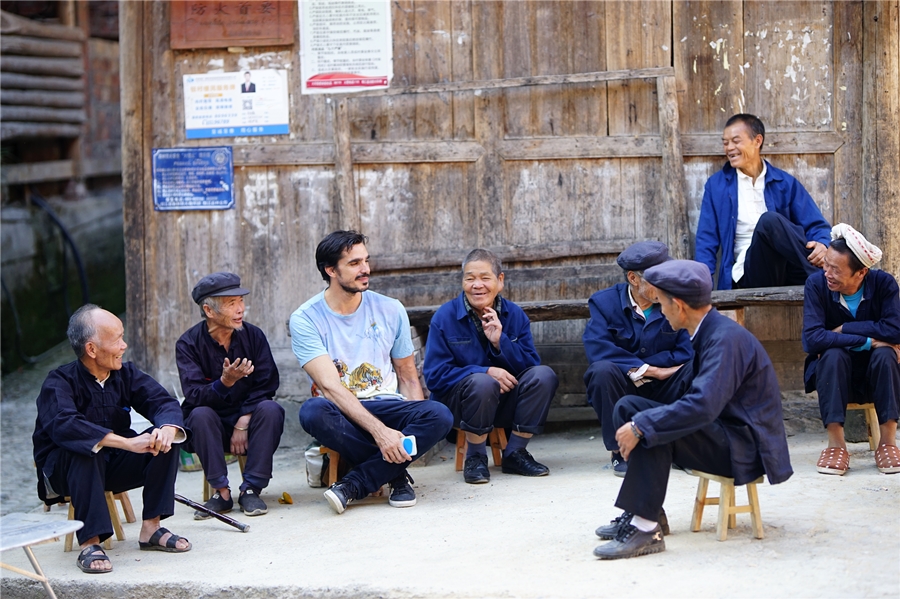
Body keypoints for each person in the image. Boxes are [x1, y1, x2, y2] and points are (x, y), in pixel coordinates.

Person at [592, 260, 793, 560]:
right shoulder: (705, 331)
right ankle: (646, 511)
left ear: (680, 306)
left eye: (662, 305)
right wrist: (639, 416)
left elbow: (703, 405)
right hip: (723, 434)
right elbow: (688, 392)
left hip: (742, 449)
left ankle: (646, 530)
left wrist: (642, 425)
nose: (660, 312)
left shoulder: (725, 339)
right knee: (630, 407)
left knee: (650, 426)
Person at [290, 230, 454, 514]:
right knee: (312, 411)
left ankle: (354, 484)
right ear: (331, 270)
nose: (365, 269)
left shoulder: (391, 309)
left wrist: (401, 429)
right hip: (341, 411)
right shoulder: (306, 319)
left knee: (440, 414)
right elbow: (330, 387)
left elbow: (407, 375)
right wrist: (381, 434)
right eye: (354, 263)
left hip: (389, 406)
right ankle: (396, 475)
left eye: (366, 260)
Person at [33, 305, 191, 574]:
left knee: (164, 443)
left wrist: (165, 429)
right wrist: (127, 443)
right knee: (84, 450)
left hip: (112, 466)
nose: (124, 345)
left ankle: (151, 528)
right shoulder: (58, 382)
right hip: (66, 472)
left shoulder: (124, 374)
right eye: (117, 339)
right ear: (92, 349)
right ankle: (90, 543)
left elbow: (161, 401)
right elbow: (66, 425)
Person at [423, 249, 558, 484]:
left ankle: (515, 452)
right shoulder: (444, 317)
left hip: (505, 403)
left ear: (500, 281)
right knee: (482, 381)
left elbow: (530, 366)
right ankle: (475, 457)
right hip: (460, 405)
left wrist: (500, 342)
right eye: (469, 278)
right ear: (462, 281)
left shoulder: (514, 315)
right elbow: (435, 376)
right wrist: (483, 370)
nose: (477, 285)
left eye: (485, 278)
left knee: (543, 376)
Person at [176, 272, 284, 518]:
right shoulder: (188, 344)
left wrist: (244, 420)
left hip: (248, 426)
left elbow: (268, 383)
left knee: (271, 409)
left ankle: (251, 490)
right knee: (200, 414)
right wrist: (225, 382)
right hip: (210, 430)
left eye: (241, 301)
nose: (240, 309)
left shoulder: (253, 335)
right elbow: (193, 394)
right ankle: (221, 493)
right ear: (209, 311)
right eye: (231, 303)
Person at [583, 241, 693, 476]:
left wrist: (646, 367)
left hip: (667, 385)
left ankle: (685, 448)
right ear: (634, 279)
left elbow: (687, 352)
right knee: (602, 371)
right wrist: (650, 369)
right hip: (626, 387)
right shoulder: (604, 303)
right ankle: (620, 451)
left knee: (696, 368)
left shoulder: (678, 300)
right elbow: (598, 349)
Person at [801, 224, 900, 475]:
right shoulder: (816, 285)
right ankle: (836, 445)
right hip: (833, 375)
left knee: (887, 354)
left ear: (861, 273)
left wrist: (843, 329)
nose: (827, 273)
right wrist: (868, 340)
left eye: (835, 269)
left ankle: (888, 442)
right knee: (833, 355)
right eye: (826, 265)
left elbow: (894, 330)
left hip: (874, 376)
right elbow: (812, 340)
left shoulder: (884, 284)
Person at [695, 113, 831, 290]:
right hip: (750, 273)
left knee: (779, 226)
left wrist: (822, 244)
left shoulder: (784, 182)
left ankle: (825, 278)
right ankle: (824, 283)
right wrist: (700, 288)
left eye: (736, 141)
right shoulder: (717, 186)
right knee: (768, 221)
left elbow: (817, 225)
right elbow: (706, 240)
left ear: (757, 141)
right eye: (725, 142)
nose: (729, 148)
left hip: (789, 270)